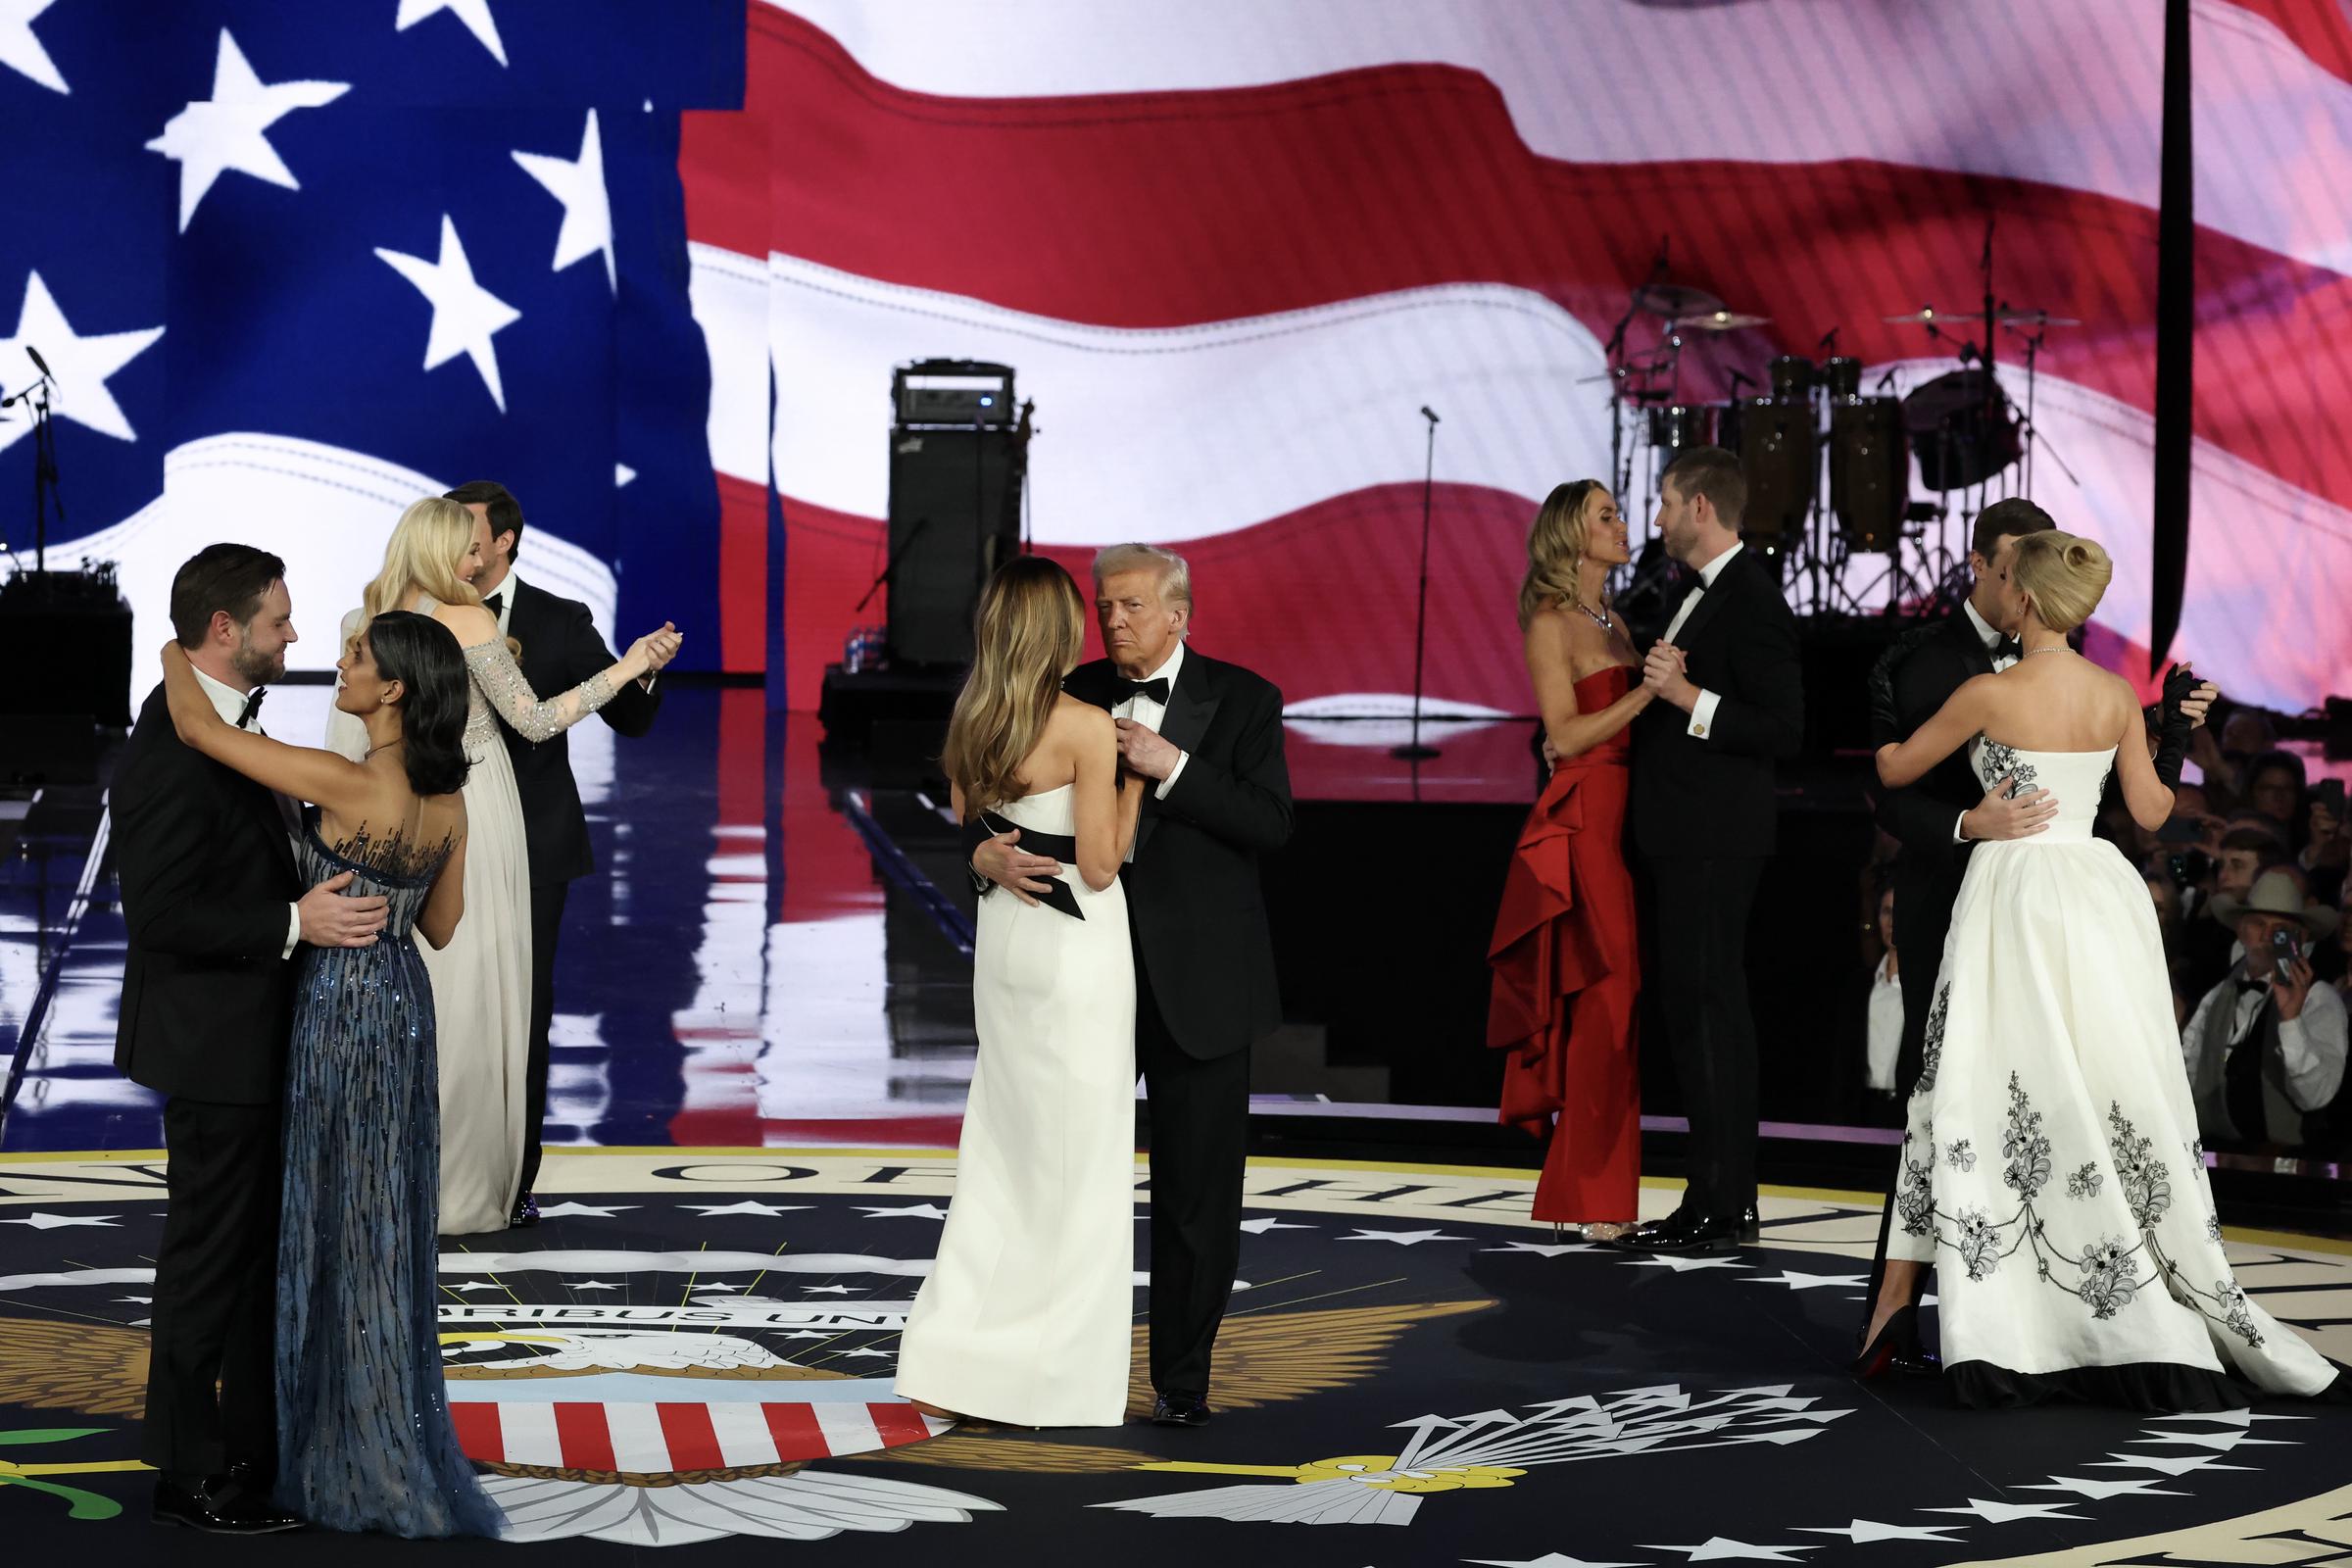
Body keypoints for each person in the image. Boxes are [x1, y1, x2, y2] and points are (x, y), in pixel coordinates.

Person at [1864, 530, 2344, 1408]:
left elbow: (1894, 766)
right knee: (2097, 1087)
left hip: (2011, 893)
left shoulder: (1988, 692)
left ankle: (2000, 1323)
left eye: (2009, 581)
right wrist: (2169, 735)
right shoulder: (2115, 693)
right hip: (2095, 896)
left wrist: (1977, 814)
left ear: (2029, 601)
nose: (2000, 589)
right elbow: (2154, 810)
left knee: (1986, 1085)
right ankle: (2104, 1309)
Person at [159, 612, 503, 1535]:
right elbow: (438, 927)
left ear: (392, 689)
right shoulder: (451, 799)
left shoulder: (345, 782)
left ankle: (324, 1446)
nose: (340, 666)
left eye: (357, 659)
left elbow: (198, 729)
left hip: (337, 1009)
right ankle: (387, 1436)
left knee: (323, 1226)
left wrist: (169, 646)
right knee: (383, 1231)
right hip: (403, 1008)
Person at [966, 543, 1293, 1427]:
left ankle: (1180, 1381)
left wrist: (1172, 767)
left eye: (1133, 607)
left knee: (1196, 1199)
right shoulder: (1069, 692)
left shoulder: (1246, 699)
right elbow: (991, 794)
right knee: (1063, 1181)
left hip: (1204, 992)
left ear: (1179, 613)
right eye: (1104, 606)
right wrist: (977, 854)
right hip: (1083, 984)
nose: (1113, 621)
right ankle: (1042, 1365)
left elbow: (1272, 822)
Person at [114, 546, 385, 1535]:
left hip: (251, 1040)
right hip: (212, 1046)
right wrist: (290, 923)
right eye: (278, 620)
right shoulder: (170, 752)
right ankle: (188, 1472)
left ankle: (242, 1449)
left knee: (249, 1259)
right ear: (223, 631)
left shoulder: (219, 725)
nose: (296, 635)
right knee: (207, 1258)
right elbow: (161, 915)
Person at [331, 497, 681, 1234]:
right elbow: (534, 720)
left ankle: (386, 1179)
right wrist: (629, 667)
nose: (478, 564)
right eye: (466, 551)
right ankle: (460, 1184)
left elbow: (346, 746)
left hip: (390, 822)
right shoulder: (468, 620)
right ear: (441, 549)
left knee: (395, 993)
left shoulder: (365, 622)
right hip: (476, 816)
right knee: (474, 1001)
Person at [896, 559, 1147, 1427]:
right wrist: (1138, 780)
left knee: (1003, 1150)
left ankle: (956, 1356)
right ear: (1057, 629)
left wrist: (982, 855)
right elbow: (1104, 864)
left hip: (1004, 944)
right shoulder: (1086, 725)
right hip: (1076, 953)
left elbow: (971, 820)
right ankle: (1052, 1377)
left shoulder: (976, 712)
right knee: (1080, 1160)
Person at [444, 480, 666, 1226]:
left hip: (534, 851)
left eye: (469, 533)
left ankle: (511, 1182)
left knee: (521, 1015)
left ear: (504, 541)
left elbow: (631, 719)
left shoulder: (558, 620)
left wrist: (645, 666)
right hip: (441, 846)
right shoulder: (424, 613)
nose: (457, 546)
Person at [1618, 447, 1803, 1253]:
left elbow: (1784, 729)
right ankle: (1719, 1196)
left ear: (1699, 507)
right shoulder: (1693, 592)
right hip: (1685, 835)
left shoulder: (1753, 599)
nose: (1654, 519)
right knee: (1696, 1013)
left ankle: (1721, 1202)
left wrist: (1690, 698)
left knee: (1708, 1013)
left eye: (1662, 503)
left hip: (1713, 839)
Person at [1487, 480, 1649, 1238]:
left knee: (1615, 1006)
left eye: (1619, 512)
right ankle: (1592, 1200)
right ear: (1569, 536)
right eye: (1606, 516)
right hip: (1581, 822)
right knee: (1605, 1000)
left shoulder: (1616, 620)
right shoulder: (1551, 624)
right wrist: (1648, 692)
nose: (1623, 524)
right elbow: (1570, 734)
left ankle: (1592, 1194)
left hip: (1620, 822)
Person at [2181, 870, 2345, 1152]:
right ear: (2240, 930)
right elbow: (2187, 1073)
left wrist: (2291, 1020)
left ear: (2300, 936)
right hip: (2213, 1158)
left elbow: (2317, 1096)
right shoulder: (2218, 994)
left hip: (2284, 1169)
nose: (2268, 936)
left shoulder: (2318, 999)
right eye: (2258, 924)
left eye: (2280, 929)